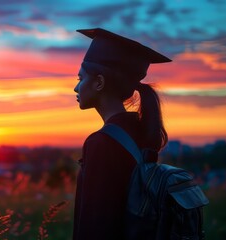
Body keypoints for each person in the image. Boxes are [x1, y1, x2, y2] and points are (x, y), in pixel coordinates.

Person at [72, 28, 172, 240]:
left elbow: (95, 225)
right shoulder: (141, 131)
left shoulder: (102, 143)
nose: (76, 87)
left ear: (99, 83)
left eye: (81, 78)